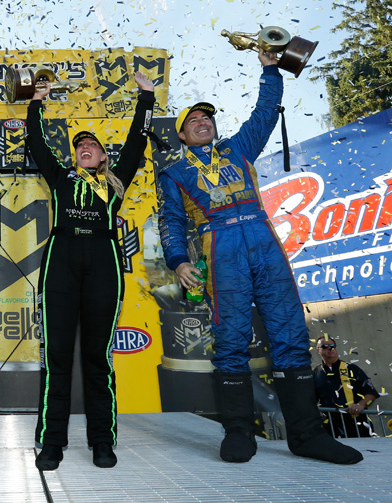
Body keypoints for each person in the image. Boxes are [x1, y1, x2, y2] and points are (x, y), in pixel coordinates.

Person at [156, 49, 362, 464]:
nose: (202, 123)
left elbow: (265, 112)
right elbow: (171, 222)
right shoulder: (173, 172)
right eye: (192, 121)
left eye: (206, 118)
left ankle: (306, 435)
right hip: (220, 245)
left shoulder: (238, 148)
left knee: (288, 332)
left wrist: (270, 69)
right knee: (231, 338)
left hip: (264, 240)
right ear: (181, 135)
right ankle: (238, 432)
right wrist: (178, 261)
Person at [26, 72, 156, 471]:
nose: (84, 146)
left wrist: (146, 98)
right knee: (58, 359)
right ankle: (52, 443)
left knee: (98, 359)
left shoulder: (115, 184)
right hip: (60, 260)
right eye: (79, 145)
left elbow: (138, 139)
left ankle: (103, 441)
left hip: (103, 261)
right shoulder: (60, 177)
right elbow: (36, 141)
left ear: (103, 158)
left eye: (92, 145)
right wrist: (35, 102)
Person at [313, 336, 380, 438]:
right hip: (330, 427)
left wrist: (360, 405)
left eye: (332, 346)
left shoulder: (352, 368)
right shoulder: (315, 373)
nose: (330, 348)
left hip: (357, 424)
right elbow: (310, 400)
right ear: (318, 350)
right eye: (325, 346)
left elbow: (372, 393)